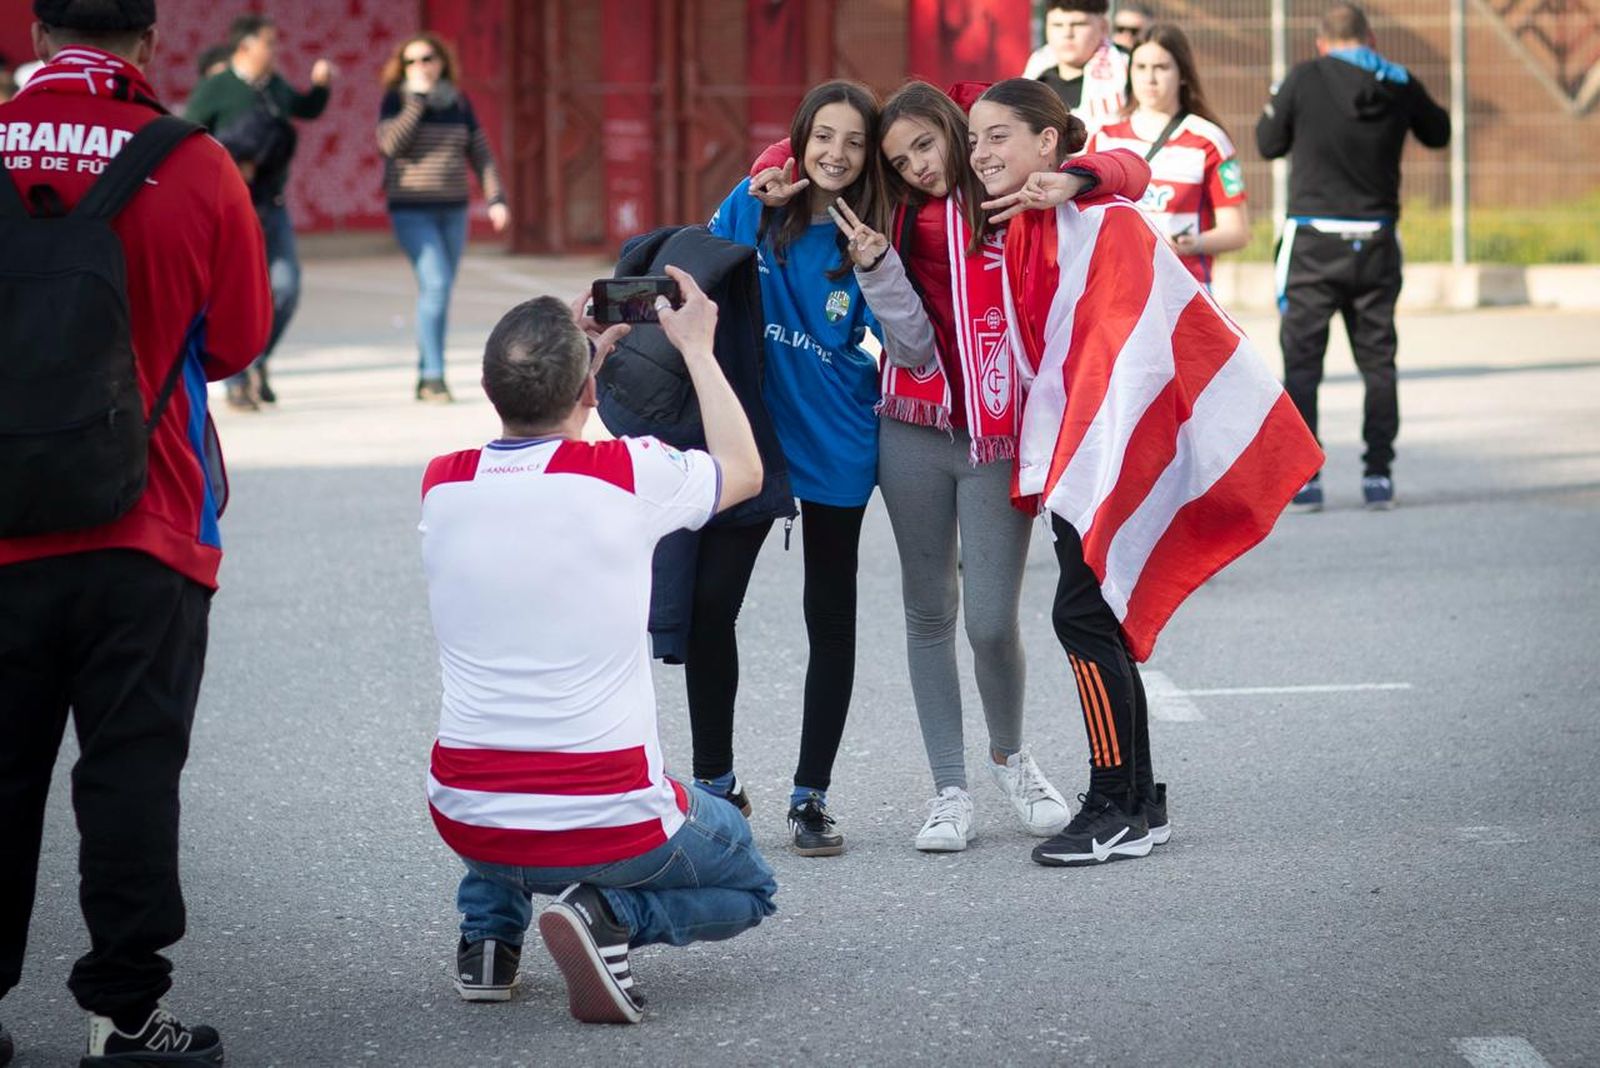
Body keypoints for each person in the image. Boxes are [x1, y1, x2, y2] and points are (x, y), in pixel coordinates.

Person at [758, 81, 1150, 852]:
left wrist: (1073, 175)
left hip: (1002, 438)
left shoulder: (1017, 197)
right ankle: (950, 789)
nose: (915, 168)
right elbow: (819, 159)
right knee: (928, 614)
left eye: (926, 148)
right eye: (899, 160)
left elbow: (1130, 169)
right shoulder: (891, 214)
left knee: (992, 619)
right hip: (911, 428)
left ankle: (1012, 757)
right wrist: (796, 179)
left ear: (956, 134)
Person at [0, 0, 273, 1062]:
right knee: (128, 775)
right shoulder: (195, 163)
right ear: (150, 44)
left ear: (34, 36)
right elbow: (241, 339)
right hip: (147, 525)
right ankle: (125, 1017)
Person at [976, 78, 1320, 868]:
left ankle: (1113, 802)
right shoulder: (1015, 219)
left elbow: (1128, 165)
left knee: (1083, 617)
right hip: (1073, 438)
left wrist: (1083, 177)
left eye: (1000, 136)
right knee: (1095, 615)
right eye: (974, 139)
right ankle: (1137, 801)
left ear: (1048, 144)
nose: (982, 152)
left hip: (1108, 442)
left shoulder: (1098, 213)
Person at [420, 267, 775, 1023]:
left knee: (512, 742)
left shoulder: (441, 485)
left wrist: (573, 366)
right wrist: (701, 352)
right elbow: (744, 472)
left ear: (490, 389)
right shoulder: (624, 472)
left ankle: (488, 940)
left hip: (469, 814)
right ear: (588, 392)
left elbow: (534, 464)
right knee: (751, 883)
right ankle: (609, 916)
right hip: (609, 820)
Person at [701, 80, 887, 857]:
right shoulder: (754, 204)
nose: (836, 154)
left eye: (853, 141)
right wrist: (756, 192)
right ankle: (715, 785)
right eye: (823, 137)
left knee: (829, 619)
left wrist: (879, 269)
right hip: (750, 441)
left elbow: (907, 343)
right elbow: (697, 280)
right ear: (800, 139)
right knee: (710, 607)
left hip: (839, 441)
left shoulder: (872, 232)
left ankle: (812, 795)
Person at [1256, 1, 1449, 511]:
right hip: (1377, 240)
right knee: (1379, 360)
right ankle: (1379, 473)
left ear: (1322, 43)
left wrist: (1284, 102)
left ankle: (1307, 479)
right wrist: (1403, 89)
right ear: (1372, 41)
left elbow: (1267, 143)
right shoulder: (1397, 81)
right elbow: (1440, 132)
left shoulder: (1302, 77)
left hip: (1314, 242)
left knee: (1302, 361)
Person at [186, 14, 335, 411]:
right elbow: (187, 136)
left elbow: (306, 108)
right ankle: (236, 379)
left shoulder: (274, 86)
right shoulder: (217, 88)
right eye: (269, 43)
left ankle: (258, 359)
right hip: (230, 208)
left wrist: (321, 85)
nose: (275, 51)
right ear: (245, 47)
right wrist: (228, 162)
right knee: (232, 293)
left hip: (272, 203)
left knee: (285, 287)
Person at [377, 33, 508, 404]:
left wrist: (496, 198)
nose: (421, 66)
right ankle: (434, 376)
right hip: (411, 210)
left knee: (440, 290)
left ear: (441, 62)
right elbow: (390, 145)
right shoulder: (395, 100)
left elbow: (480, 153)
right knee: (434, 284)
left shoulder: (458, 102)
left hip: (453, 209)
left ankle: (425, 370)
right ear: (403, 67)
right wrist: (416, 102)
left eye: (428, 59)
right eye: (412, 61)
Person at [1086, 23, 1249, 287]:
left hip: (1184, 294)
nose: (1149, 79)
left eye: (1161, 67)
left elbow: (1237, 232)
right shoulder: (1104, 135)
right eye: (1140, 67)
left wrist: (1193, 243)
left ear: (1183, 75)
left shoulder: (1209, 140)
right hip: (1117, 291)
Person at [1020, 0, 1128, 131]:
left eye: (1078, 24)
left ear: (1103, 27)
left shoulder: (1129, 72)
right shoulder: (1035, 75)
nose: (1067, 34)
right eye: (1057, 25)